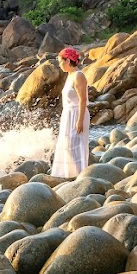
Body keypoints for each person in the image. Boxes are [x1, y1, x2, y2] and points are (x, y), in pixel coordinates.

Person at [51, 46, 89, 178]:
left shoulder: (78, 76)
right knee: (67, 145)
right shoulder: (70, 76)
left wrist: (80, 120)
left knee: (76, 145)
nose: (59, 65)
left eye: (61, 61)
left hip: (77, 113)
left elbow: (83, 99)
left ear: (68, 61)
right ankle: (70, 174)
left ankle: (81, 174)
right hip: (68, 114)